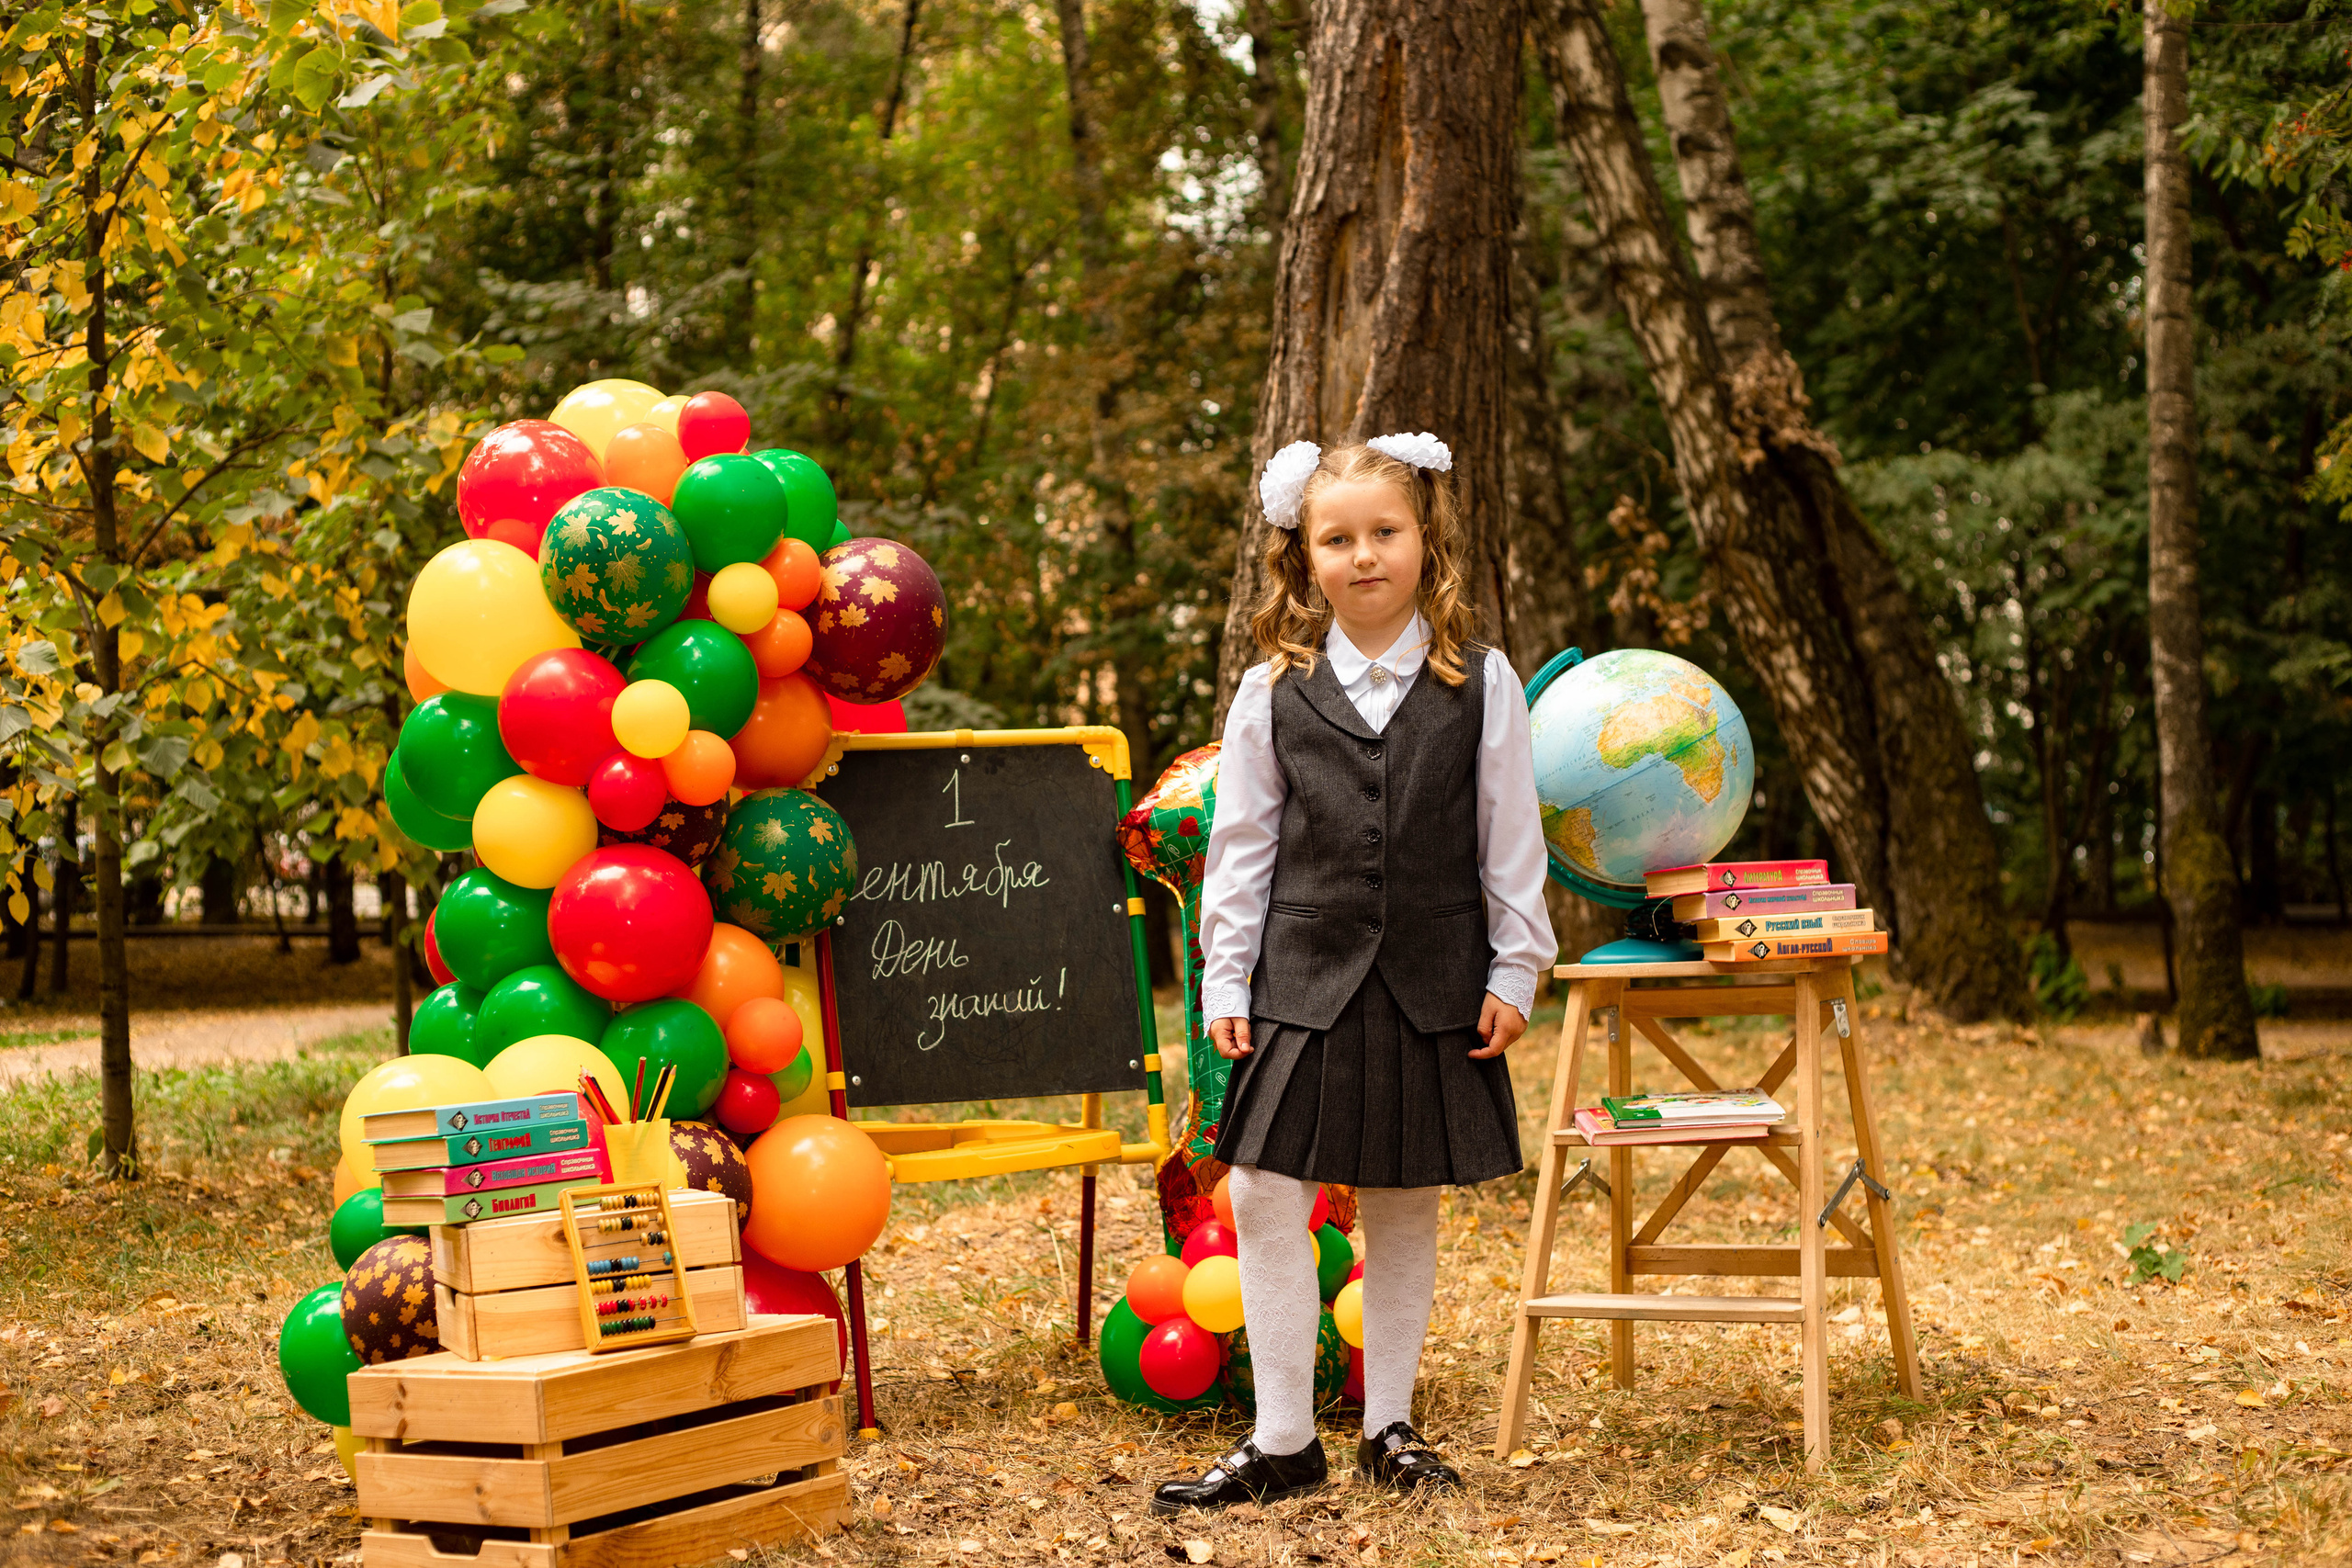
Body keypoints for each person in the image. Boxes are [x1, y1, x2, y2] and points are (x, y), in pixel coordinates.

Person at [1150, 434, 1555, 1515]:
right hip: (1302, 969)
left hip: (1433, 970)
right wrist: (1224, 982)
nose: (1364, 555)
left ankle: (1389, 1427)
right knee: (1262, 1181)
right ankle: (1284, 1440)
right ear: (1304, 558)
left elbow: (1508, 838)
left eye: (1386, 532)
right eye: (1338, 538)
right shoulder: (1270, 692)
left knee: (1401, 1190)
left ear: (1426, 543)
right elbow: (1242, 846)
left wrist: (1517, 967)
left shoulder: (1482, 682)